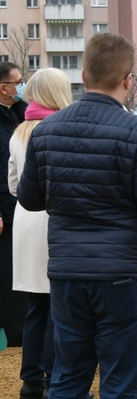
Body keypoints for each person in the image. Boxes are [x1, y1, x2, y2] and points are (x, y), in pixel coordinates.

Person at [17, 33, 137, 398]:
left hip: (69, 276)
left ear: (84, 75)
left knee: (68, 378)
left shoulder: (46, 131)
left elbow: (30, 198)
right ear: (128, 80)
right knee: (121, 384)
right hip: (126, 278)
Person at [8, 68, 72, 399]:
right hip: (53, 220)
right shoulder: (60, 129)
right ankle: (51, 378)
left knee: (36, 306)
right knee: (57, 307)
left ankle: (30, 380)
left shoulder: (19, 131)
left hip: (25, 221)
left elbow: (14, 184)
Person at [0, 61, 27, 352]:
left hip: (23, 203)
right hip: (3, 207)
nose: (22, 86)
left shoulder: (22, 113)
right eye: (18, 82)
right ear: (3, 87)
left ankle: (21, 326)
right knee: (5, 269)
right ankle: (10, 330)